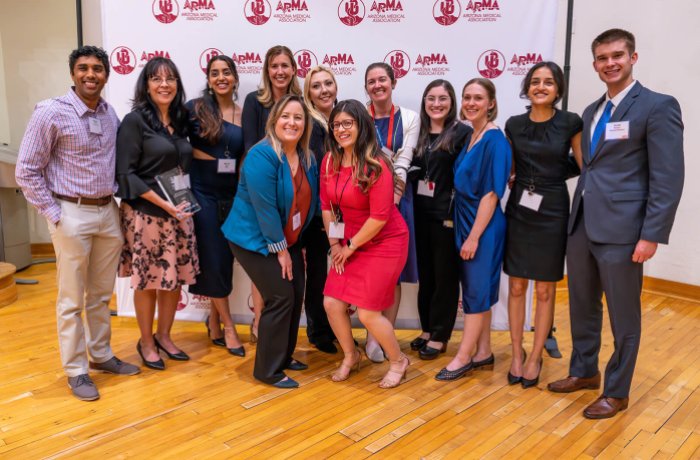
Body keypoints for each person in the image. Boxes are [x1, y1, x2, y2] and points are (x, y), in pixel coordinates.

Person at [547, 29, 684, 419]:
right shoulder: (591, 111)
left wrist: (652, 234)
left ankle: (617, 391)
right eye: (603, 58)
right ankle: (584, 371)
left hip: (625, 232)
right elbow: (589, 167)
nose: (610, 63)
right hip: (583, 226)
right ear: (594, 65)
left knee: (624, 315)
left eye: (617, 56)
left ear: (633, 57)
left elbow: (668, 176)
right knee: (582, 307)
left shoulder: (657, 107)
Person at [15, 45, 140, 401]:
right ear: (73, 73)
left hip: (107, 212)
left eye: (98, 69)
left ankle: (101, 356)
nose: (91, 74)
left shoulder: (110, 112)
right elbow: (26, 170)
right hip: (71, 213)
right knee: (71, 300)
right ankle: (76, 370)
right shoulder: (50, 112)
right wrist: (55, 215)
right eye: (83, 68)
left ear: (106, 74)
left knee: (100, 295)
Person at [223, 94, 318, 388]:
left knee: (296, 293)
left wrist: (294, 244)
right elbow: (264, 209)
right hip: (253, 238)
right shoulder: (261, 155)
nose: (292, 122)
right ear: (274, 120)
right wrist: (281, 251)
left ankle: (283, 355)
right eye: (286, 116)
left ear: (306, 124)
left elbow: (304, 203)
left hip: (287, 237)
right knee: (280, 296)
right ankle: (267, 369)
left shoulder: (306, 156)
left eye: (298, 117)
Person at [116, 57, 199, 371]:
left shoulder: (180, 120)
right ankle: (146, 341)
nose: (164, 84)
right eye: (156, 79)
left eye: (170, 78)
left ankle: (164, 336)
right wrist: (166, 207)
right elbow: (126, 174)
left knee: (172, 279)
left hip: (179, 213)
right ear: (146, 85)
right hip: (147, 214)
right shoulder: (135, 121)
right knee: (149, 282)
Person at [504, 62, 583, 388]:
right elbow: (509, 169)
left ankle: (536, 355)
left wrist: (549, 178)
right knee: (517, 286)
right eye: (535, 81)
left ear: (558, 88)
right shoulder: (514, 124)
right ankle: (517, 354)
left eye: (548, 82)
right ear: (527, 86)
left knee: (547, 289)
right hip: (521, 209)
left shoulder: (570, 122)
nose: (541, 86)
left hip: (552, 209)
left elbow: (582, 164)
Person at [321, 99, 410, 388]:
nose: (341, 129)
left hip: (384, 242)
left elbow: (380, 217)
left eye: (348, 123)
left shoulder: (378, 164)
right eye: (336, 124)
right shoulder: (329, 161)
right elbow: (327, 206)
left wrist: (350, 246)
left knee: (368, 312)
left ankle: (398, 361)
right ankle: (351, 355)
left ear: (362, 125)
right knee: (332, 303)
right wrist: (335, 244)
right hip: (349, 242)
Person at [436, 78, 511, 381]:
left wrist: (474, 236)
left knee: (477, 291)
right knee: (476, 289)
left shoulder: (495, 140)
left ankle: (463, 357)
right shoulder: (471, 134)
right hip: (465, 218)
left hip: (482, 223)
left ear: (491, 103)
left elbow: (492, 194)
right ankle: (484, 351)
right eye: (466, 97)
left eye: (478, 98)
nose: (470, 103)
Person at [241, 45, 302, 343]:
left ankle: (278, 332)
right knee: (265, 261)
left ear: (293, 69)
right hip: (263, 191)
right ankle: (258, 322)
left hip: (292, 195)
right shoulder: (255, 101)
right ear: (267, 70)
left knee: (286, 270)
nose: (280, 71)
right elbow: (250, 148)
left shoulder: (302, 103)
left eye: (285, 65)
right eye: (274, 66)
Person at [186, 55, 244, 357]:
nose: (221, 77)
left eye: (226, 72)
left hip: (231, 194)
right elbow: (177, 144)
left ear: (234, 78)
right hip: (201, 193)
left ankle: (213, 321)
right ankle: (230, 326)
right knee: (214, 257)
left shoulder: (242, 113)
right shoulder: (195, 109)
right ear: (208, 79)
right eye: (214, 73)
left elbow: (244, 157)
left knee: (223, 258)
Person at [410, 80, 471, 360]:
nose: (436, 104)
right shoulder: (418, 133)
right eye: (431, 98)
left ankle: (440, 334)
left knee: (445, 276)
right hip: (420, 214)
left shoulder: (462, 133)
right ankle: (426, 328)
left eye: (442, 98)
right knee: (427, 275)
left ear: (452, 102)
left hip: (447, 216)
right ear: (424, 102)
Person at [364, 62, 419, 362]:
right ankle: (372, 331)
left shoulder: (409, 117)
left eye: (382, 79)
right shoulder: (360, 115)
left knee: (392, 273)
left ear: (393, 82)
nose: (377, 85)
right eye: (371, 81)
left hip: (398, 199)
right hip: (364, 200)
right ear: (366, 87)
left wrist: (392, 196)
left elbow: (404, 158)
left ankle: (385, 334)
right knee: (371, 271)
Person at [302, 65, 340, 354]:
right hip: (317, 213)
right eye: (316, 86)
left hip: (346, 210)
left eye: (328, 83)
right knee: (317, 275)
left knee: (343, 272)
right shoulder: (307, 124)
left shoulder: (345, 119)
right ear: (308, 93)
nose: (324, 90)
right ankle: (318, 331)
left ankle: (338, 326)